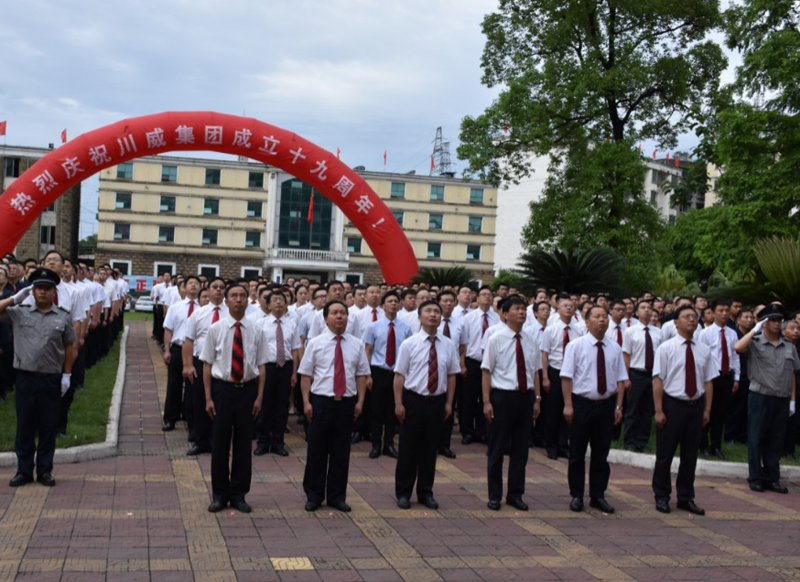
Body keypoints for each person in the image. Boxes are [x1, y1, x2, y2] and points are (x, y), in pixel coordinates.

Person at [0, 268, 77, 488]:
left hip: (51, 379)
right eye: (39, 288)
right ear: (32, 291)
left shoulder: (63, 315)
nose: (43, 292)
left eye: (47, 289)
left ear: (54, 292)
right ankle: (24, 471)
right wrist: (14, 298)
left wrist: (67, 375)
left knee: (47, 426)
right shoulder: (19, 312)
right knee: (24, 425)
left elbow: (70, 346)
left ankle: (45, 470)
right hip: (25, 378)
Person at [299, 300, 370, 512]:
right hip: (321, 402)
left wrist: (360, 401)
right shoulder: (315, 343)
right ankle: (314, 494)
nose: (339, 317)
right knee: (317, 450)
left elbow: (361, 375)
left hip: (346, 403)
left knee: (341, 451)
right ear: (326, 318)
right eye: (335, 313)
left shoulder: (357, 344)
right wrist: (305, 402)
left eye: (343, 313)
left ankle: (337, 496)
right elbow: (305, 375)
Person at [202, 284, 267, 513]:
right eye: (233, 296)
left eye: (242, 296)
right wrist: (208, 398)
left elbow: (261, 365)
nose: (238, 299)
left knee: (243, 444)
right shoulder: (216, 329)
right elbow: (207, 364)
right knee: (220, 444)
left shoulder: (257, 329)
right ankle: (219, 495)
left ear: (248, 300)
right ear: (226, 302)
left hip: (247, 390)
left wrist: (259, 397)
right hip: (222, 390)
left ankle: (239, 494)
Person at [561, 306, 627, 514]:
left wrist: (618, 405)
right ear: (586, 322)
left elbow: (621, 379)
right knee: (577, 453)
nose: (602, 320)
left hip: (606, 405)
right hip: (582, 404)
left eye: (604, 317)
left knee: (601, 454)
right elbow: (566, 377)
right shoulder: (576, 346)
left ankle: (598, 495)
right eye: (597, 317)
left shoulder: (614, 347)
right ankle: (577, 495)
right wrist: (568, 404)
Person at [393, 300, 459, 509]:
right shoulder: (409, 344)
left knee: (430, 450)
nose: (433, 315)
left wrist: (449, 403)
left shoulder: (448, 344)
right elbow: (399, 376)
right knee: (408, 449)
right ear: (420, 317)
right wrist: (398, 403)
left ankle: (425, 492)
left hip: (437, 402)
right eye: (428, 311)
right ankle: (403, 492)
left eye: (436, 312)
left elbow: (451, 376)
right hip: (413, 401)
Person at [652, 304, 716, 515]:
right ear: (676, 322)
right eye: (687, 316)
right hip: (673, 405)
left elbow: (708, 381)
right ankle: (662, 496)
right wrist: (659, 410)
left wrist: (707, 409)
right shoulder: (666, 348)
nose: (692, 320)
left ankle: (686, 497)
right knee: (665, 454)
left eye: (694, 317)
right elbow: (658, 380)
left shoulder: (704, 349)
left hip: (695, 406)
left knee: (690, 456)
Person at [482, 296, 542, 511]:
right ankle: (494, 495)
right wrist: (487, 401)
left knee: (520, 449)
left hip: (525, 398)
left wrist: (537, 399)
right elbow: (487, 372)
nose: (522, 313)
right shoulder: (495, 339)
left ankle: (515, 494)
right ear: (505, 314)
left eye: (524, 309)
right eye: (516, 309)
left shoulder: (531, 340)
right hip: (501, 397)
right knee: (497, 448)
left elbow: (535, 372)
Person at [735, 305, 800, 494]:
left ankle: (772, 477)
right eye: (772, 320)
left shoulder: (788, 345)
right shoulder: (755, 342)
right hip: (760, 397)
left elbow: (792, 374)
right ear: (764, 323)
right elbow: (738, 347)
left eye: (779, 320)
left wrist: (792, 400)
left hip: (781, 398)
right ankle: (755, 477)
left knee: (776, 439)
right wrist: (755, 329)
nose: (776, 323)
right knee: (756, 438)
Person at [363, 290, 412, 459]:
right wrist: (368, 375)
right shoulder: (373, 326)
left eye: (395, 301)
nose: (393, 304)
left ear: (399, 305)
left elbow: (409, 353)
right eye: (389, 301)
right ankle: (376, 444)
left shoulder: (406, 328)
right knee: (376, 410)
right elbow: (367, 350)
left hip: (397, 373)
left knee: (393, 410)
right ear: (383, 305)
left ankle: (389, 444)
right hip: (378, 372)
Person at [182, 277, 228, 456]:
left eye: (221, 287)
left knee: (221, 403)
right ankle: (201, 441)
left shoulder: (231, 313)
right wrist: (188, 365)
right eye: (214, 287)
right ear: (207, 290)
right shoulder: (198, 314)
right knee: (200, 402)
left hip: (222, 364)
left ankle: (218, 441)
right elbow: (188, 341)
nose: (218, 290)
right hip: (201, 363)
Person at [253, 292, 301, 457]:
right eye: (275, 300)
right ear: (268, 305)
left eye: (281, 299)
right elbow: (255, 349)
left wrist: (294, 372)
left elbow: (295, 350)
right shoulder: (260, 323)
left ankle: (278, 442)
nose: (279, 303)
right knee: (265, 405)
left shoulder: (292, 324)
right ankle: (263, 442)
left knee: (281, 407)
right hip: (266, 367)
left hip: (285, 367)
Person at [541, 294, 583, 460]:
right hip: (555, 371)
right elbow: (544, 354)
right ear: (557, 309)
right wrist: (545, 376)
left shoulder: (578, 331)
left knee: (568, 409)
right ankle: (550, 446)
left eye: (571, 306)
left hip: (572, 374)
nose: (568, 308)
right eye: (565, 305)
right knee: (552, 410)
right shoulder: (551, 329)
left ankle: (563, 445)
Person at [698, 300, 740, 459]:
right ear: (713, 312)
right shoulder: (705, 333)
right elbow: (701, 356)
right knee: (707, 410)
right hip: (710, 377)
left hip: (726, 377)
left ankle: (716, 445)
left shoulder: (732, 333)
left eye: (726, 310)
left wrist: (736, 377)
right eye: (720, 310)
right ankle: (702, 445)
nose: (724, 313)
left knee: (721, 414)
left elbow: (735, 356)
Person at [461, 286, 500, 445]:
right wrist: (462, 364)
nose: (487, 297)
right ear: (477, 299)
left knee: (486, 398)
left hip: (490, 364)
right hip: (472, 362)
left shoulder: (497, 318)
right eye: (483, 295)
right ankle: (467, 432)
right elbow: (463, 344)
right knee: (468, 399)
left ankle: (483, 431)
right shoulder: (469, 318)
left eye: (490, 295)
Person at [162, 276, 201, 432]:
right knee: (174, 384)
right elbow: (168, 329)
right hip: (177, 349)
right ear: (183, 288)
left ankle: (189, 417)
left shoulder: (203, 309)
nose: (193, 286)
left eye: (196, 284)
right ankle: (170, 418)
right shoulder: (175, 307)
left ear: (200, 287)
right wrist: (166, 350)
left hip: (196, 351)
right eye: (190, 283)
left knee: (193, 386)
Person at [621, 301, 661, 452]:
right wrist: (626, 377)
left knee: (647, 410)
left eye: (649, 308)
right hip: (636, 373)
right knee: (633, 409)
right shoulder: (630, 331)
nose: (646, 311)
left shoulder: (658, 332)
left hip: (652, 375)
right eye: (643, 308)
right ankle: (629, 441)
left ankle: (642, 441)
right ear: (637, 312)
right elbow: (626, 356)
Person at [436, 290, 467, 458]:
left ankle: (444, 444)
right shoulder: (432, 321)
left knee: (449, 405)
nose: (448, 304)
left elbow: (462, 346)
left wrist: (459, 363)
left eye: (451, 301)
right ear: (439, 302)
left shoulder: (460, 323)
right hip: (435, 368)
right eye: (445, 300)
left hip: (452, 370)